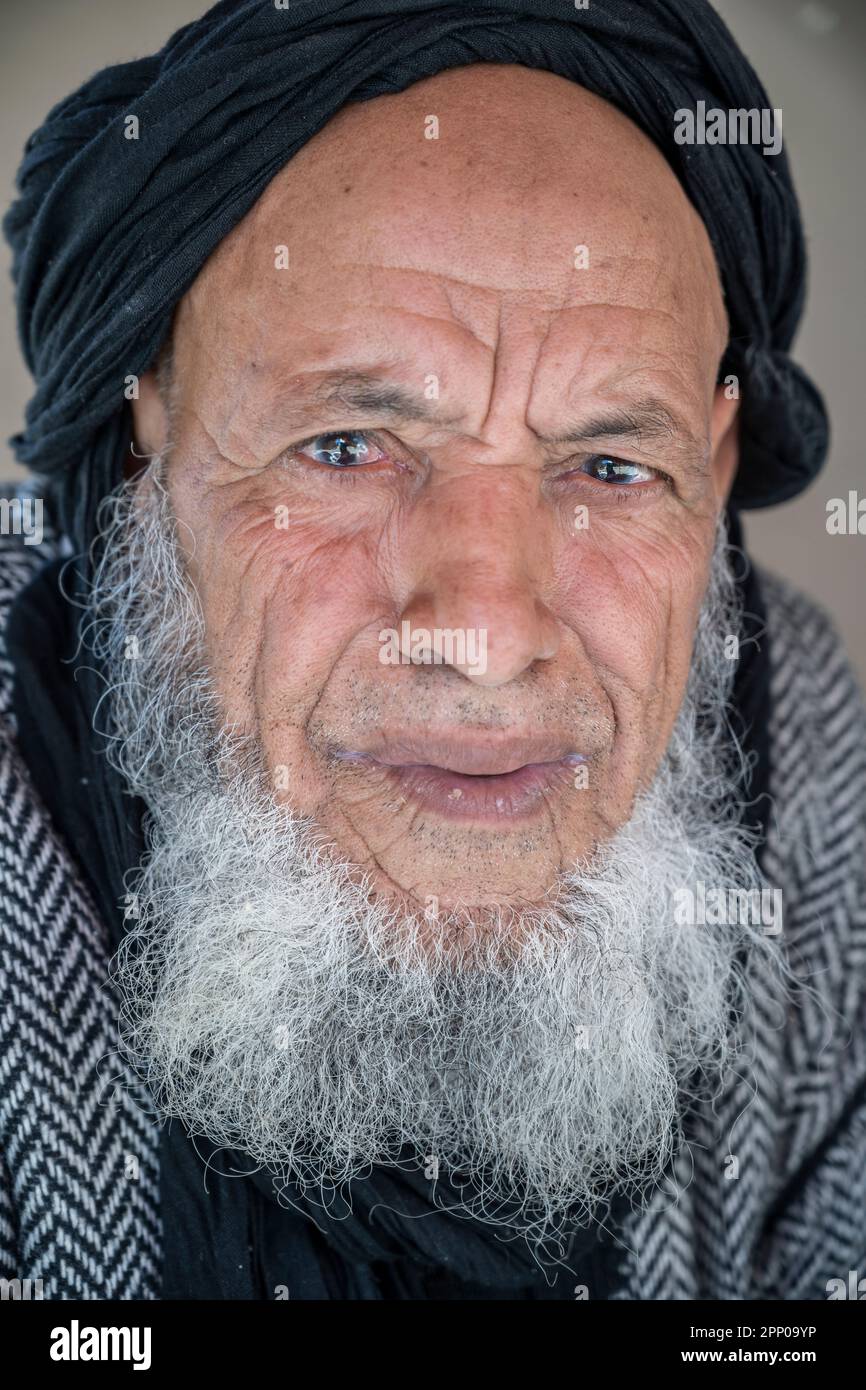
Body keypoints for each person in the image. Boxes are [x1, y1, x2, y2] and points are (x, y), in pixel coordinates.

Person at [1, 0, 864, 1301]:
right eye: (345, 448)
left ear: (715, 475)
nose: (490, 639)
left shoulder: (801, 746)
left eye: (610, 465)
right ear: (146, 451)